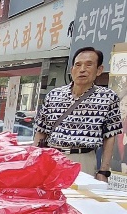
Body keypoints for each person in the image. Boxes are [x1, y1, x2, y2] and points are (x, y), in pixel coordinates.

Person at [33, 46, 123, 180]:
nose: (82, 70)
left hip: (83, 159)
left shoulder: (108, 97)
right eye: (78, 65)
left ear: (99, 70)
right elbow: (41, 131)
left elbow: (110, 136)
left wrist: (104, 171)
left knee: (79, 194)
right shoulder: (54, 95)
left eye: (89, 65)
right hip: (51, 157)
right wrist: (34, 161)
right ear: (72, 70)